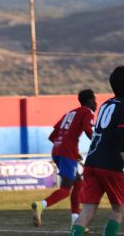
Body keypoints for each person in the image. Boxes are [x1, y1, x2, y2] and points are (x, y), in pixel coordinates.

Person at [59, 66, 124, 236]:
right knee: (119, 208)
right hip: (111, 165)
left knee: (87, 209)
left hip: (92, 162)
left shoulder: (105, 104)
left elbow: (104, 133)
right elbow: (121, 137)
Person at [31, 89, 96, 228]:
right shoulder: (87, 112)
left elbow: (52, 136)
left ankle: (75, 221)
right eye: (94, 100)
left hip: (57, 150)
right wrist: (99, 144)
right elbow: (89, 131)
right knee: (66, 189)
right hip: (66, 153)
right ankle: (41, 205)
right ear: (89, 100)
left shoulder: (69, 113)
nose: (95, 103)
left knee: (78, 183)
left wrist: (71, 150)